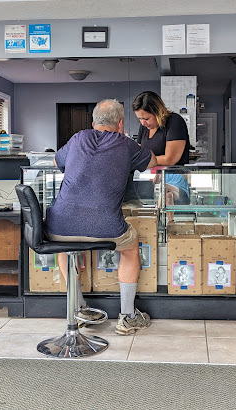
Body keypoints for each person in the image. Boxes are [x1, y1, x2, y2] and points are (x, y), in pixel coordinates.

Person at [45, 99, 157, 335]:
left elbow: (55, 161)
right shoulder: (126, 144)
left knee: (65, 248)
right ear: (120, 123)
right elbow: (153, 162)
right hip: (106, 226)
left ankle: (79, 308)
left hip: (58, 225)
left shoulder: (77, 138)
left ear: (93, 122)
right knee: (130, 247)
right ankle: (127, 317)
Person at [132, 91, 191, 220]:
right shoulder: (144, 128)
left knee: (166, 198)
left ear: (158, 111)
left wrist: (146, 160)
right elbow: (139, 153)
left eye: (146, 118)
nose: (142, 123)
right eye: (139, 119)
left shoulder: (174, 122)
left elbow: (170, 159)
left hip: (175, 179)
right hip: (151, 180)